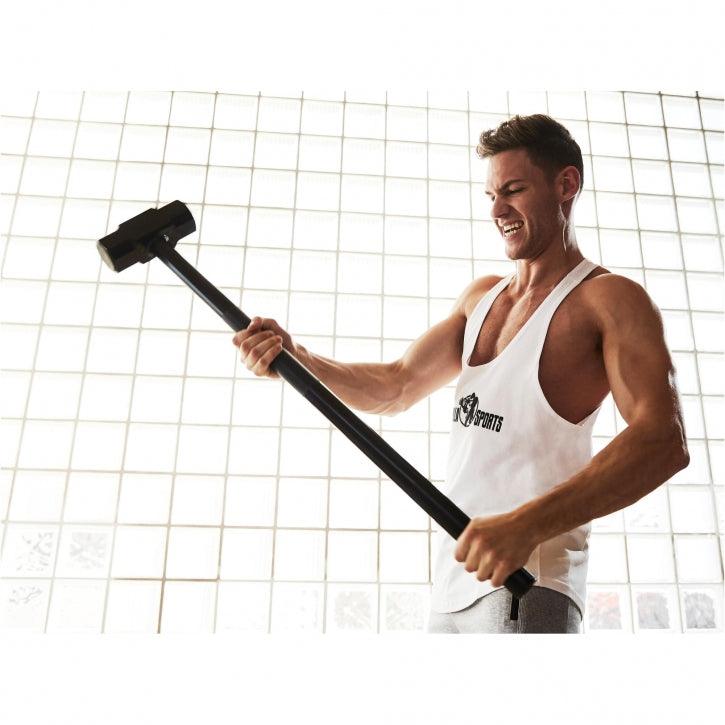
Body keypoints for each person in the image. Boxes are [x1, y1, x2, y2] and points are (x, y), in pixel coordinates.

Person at [232, 113, 690, 634]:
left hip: (529, 580)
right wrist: (299, 359)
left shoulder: (608, 300)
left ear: (566, 185)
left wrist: (525, 525)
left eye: (513, 191)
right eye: (491, 195)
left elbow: (663, 440)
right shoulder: (482, 298)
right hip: (455, 583)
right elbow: (396, 386)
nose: (496, 210)